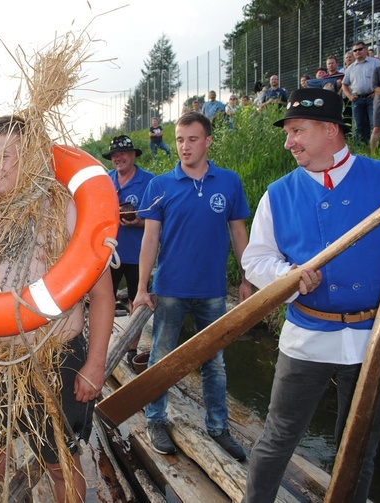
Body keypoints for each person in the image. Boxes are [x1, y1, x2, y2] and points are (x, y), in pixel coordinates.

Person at [241, 88, 380, 503]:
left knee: (359, 448)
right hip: (308, 334)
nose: (288, 141)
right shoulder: (278, 194)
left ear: (330, 130)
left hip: (377, 336)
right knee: (277, 437)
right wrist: (289, 276)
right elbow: (255, 260)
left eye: (297, 130)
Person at [0, 116, 113, 502]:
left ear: (30, 157)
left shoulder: (64, 209)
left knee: (60, 464)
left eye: (4, 157)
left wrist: (96, 363)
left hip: (55, 357)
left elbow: (102, 295)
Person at [133, 112, 252, 460]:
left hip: (213, 292)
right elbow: (149, 239)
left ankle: (218, 426)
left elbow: (238, 233)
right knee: (161, 358)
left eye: (193, 139)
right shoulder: (160, 186)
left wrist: (247, 279)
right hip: (169, 289)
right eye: (180, 139)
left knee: (214, 363)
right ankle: (156, 418)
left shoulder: (228, 182)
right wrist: (142, 288)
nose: (184, 147)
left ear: (208, 141)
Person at [103, 135, 155, 366]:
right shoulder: (105, 181)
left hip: (138, 254)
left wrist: (139, 222)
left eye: (123, 153)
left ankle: (131, 349)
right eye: (114, 155)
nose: (118, 158)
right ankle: (102, 346)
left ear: (133, 155)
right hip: (109, 254)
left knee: (137, 299)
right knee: (104, 300)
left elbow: (156, 218)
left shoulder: (149, 182)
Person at [342, 40, 380, 145]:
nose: (357, 52)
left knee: (374, 124)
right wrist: (349, 96)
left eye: (360, 49)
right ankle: (361, 149)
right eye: (355, 50)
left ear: (366, 49)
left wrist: (377, 93)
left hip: (372, 98)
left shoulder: (376, 63)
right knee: (359, 126)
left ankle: (375, 149)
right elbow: (344, 84)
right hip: (357, 100)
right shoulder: (350, 68)